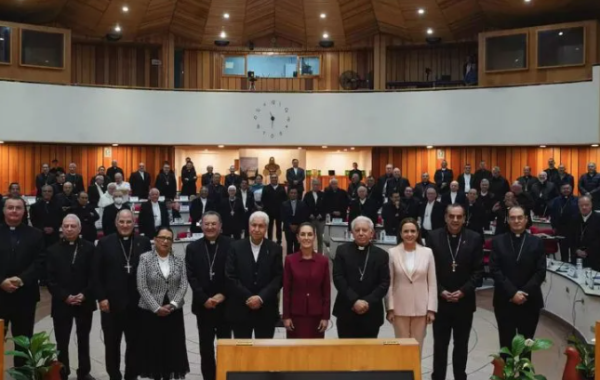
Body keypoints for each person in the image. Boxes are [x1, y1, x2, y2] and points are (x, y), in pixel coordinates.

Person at [93, 209, 152, 380]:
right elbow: (96, 274)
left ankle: (131, 376)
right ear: (116, 223)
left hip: (137, 305)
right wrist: (101, 298)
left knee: (134, 345)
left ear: (134, 223)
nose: (125, 225)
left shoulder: (144, 242)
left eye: (129, 222)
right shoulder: (104, 243)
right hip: (111, 305)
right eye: (122, 222)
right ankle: (114, 376)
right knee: (112, 345)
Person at [427, 205, 484, 380]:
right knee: (440, 345)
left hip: (464, 303)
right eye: (451, 216)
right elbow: (429, 270)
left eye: (459, 216)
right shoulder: (433, 237)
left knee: (461, 344)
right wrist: (441, 291)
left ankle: (460, 376)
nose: (455, 220)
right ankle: (438, 377)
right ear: (445, 217)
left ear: (464, 218)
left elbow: (478, 271)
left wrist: (462, 291)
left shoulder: (474, 238)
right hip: (440, 301)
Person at [490, 206, 546, 358]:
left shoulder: (536, 242)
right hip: (504, 301)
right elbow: (495, 270)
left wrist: (524, 293)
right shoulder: (498, 241)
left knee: (526, 348)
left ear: (526, 219)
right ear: (507, 220)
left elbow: (540, 272)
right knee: (505, 346)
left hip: (530, 302)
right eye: (513, 218)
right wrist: (513, 293)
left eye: (520, 217)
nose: (516, 221)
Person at [46, 214, 96, 380]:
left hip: (84, 301)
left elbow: (94, 276)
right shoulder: (52, 250)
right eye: (66, 226)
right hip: (62, 303)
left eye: (72, 226)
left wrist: (85, 294)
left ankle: (83, 372)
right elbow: (50, 279)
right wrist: (65, 296)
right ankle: (63, 372)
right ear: (61, 228)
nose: (69, 229)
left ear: (79, 228)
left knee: (83, 339)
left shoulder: (90, 248)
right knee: (62, 341)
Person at [137, 227, 189, 380]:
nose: (165, 241)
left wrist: (173, 304)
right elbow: (142, 286)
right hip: (151, 311)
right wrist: (156, 308)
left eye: (169, 238)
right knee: (154, 348)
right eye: (162, 237)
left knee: (173, 348)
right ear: (155, 239)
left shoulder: (179, 259)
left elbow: (183, 285)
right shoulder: (145, 258)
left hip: (173, 311)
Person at [185, 212, 232, 380]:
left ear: (220, 226)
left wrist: (223, 295)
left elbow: (233, 274)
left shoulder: (231, 245)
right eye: (207, 224)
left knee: (225, 346)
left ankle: (224, 376)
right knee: (205, 347)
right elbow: (191, 276)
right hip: (203, 306)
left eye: (214, 224)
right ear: (201, 225)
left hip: (225, 306)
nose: (210, 227)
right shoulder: (192, 248)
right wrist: (204, 298)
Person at [0, 196, 45, 367]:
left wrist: (21, 279)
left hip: (25, 297)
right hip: (0, 295)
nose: (14, 211)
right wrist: (1, 281)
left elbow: (40, 262)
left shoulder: (36, 234)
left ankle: (23, 376)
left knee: (23, 343)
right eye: (10, 207)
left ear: (24, 211)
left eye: (18, 208)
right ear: (4, 210)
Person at [225, 211, 283, 338]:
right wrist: (249, 297)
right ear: (248, 226)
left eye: (261, 226)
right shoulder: (235, 247)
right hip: (241, 308)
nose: (256, 229)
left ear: (266, 228)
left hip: (266, 309)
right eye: (253, 225)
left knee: (264, 353)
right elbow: (230, 276)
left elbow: (278, 278)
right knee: (242, 351)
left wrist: (260, 298)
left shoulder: (275, 249)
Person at [385, 218, 437, 355]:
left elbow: (432, 283)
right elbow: (389, 283)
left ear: (418, 233)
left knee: (416, 349)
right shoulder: (392, 253)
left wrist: (431, 309)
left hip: (421, 308)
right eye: (406, 231)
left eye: (413, 231)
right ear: (401, 234)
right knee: (401, 348)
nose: (409, 234)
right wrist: (390, 308)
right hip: (399, 307)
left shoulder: (427, 252)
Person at [333, 216, 390, 338]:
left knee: (368, 354)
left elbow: (384, 283)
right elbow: (338, 278)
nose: (361, 233)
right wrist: (355, 300)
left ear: (372, 233)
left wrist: (367, 302)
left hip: (371, 311)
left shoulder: (381, 255)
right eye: (357, 230)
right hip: (346, 309)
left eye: (364, 230)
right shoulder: (342, 251)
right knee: (345, 353)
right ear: (352, 233)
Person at [282, 223, 330, 338]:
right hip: (295, 315)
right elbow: (287, 291)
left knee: (315, 352)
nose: (306, 238)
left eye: (309, 234)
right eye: (303, 234)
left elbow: (326, 291)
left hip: (316, 315)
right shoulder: (290, 260)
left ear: (314, 237)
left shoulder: (323, 261)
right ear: (298, 238)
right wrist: (286, 316)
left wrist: (325, 317)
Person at [549, 184, 578, 263]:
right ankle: (564, 264)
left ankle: (573, 264)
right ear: (561, 190)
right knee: (563, 249)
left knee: (573, 249)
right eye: (564, 188)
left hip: (573, 229)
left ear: (571, 189)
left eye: (568, 188)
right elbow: (553, 214)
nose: (566, 190)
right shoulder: (556, 200)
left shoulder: (576, 199)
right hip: (560, 229)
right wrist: (554, 226)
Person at [569, 196, 600, 269]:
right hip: (577, 257)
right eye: (581, 205)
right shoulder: (574, 219)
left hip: (595, 258)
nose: (584, 207)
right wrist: (576, 250)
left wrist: (587, 252)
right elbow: (570, 237)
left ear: (591, 205)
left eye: (586, 205)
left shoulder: (598, 219)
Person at [281, 188, 309, 254]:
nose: (293, 194)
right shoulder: (284, 204)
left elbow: (304, 216)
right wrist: (290, 225)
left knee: (297, 245)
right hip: (288, 228)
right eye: (291, 193)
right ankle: (289, 261)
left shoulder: (302, 204)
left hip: (299, 228)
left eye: (295, 193)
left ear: (297, 194)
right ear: (289, 194)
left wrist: (297, 225)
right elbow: (283, 216)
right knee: (289, 246)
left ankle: (296, 261)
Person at [261, 174, 287, 244]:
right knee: (270, 227)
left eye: (275, 177)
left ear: (277, 178)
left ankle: (279, 240)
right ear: (270, 179)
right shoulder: (266, 188)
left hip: (279, 211)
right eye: (272, 178)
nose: (274, 179)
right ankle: (269, 240)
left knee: (279, 227)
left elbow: (285, 199)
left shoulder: (281, 187)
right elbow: (263, 199)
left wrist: (283, 209)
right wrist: (265, 209)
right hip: (269, 211)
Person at [303, 179, 326, 253]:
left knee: (320, 238)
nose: (316, 186)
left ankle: (319, 254)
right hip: (310, 219)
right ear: (312, 185)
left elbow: (326, 206)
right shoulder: (307, 195)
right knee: (310, 237)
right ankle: (310, 252)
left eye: (317, 185)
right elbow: (304, 206)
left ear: (319, 185)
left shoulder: (323, 194)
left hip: (320, 220)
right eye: (314, 184)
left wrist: (321, 214)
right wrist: (309, 214)